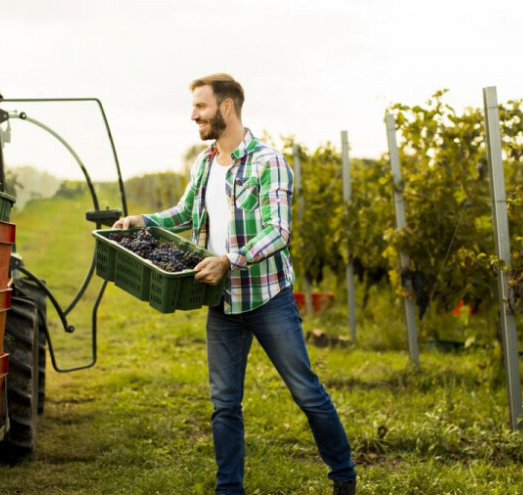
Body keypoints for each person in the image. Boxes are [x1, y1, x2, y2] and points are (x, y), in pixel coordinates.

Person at [113, 74, 356, 495]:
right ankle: (230, 489)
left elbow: (278, 231)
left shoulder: (268, 162)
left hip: (267, 299)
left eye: (201, 107)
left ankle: (344, 476)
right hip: (221, 303)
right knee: (224, 405)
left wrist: (229, 260)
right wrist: (144, 221)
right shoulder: (205, 163)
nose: (194, 116)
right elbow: (186, 213)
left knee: (307, 394)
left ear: (227, 108)